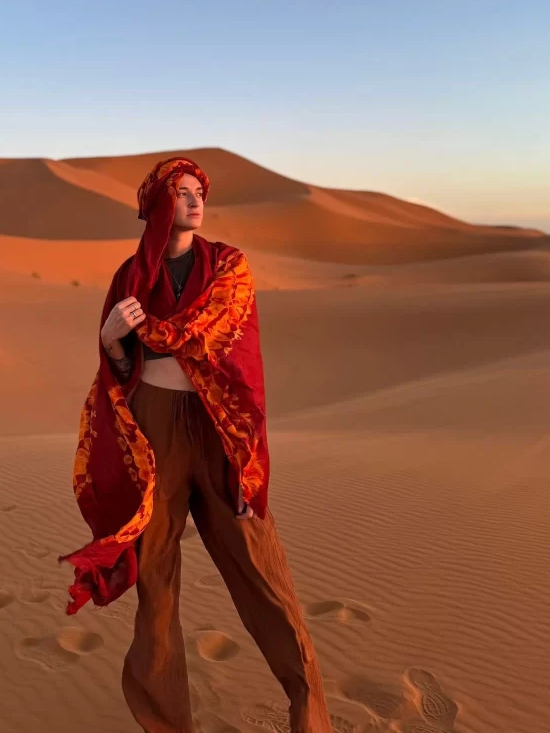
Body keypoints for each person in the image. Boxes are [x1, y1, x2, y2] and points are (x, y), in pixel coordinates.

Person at [58, 156, 333, 733]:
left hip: (217, 429)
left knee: (260, 565)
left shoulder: (228, 266)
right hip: (155, 428)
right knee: (156, 580)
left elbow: (231, 349)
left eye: (198, 192)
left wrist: (245, 451)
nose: (195, 201)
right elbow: (121, 366)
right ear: (160, 205)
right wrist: (110, 339)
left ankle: (309, 713)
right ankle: (165, 722)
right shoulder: (130, 279)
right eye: (181, 193)